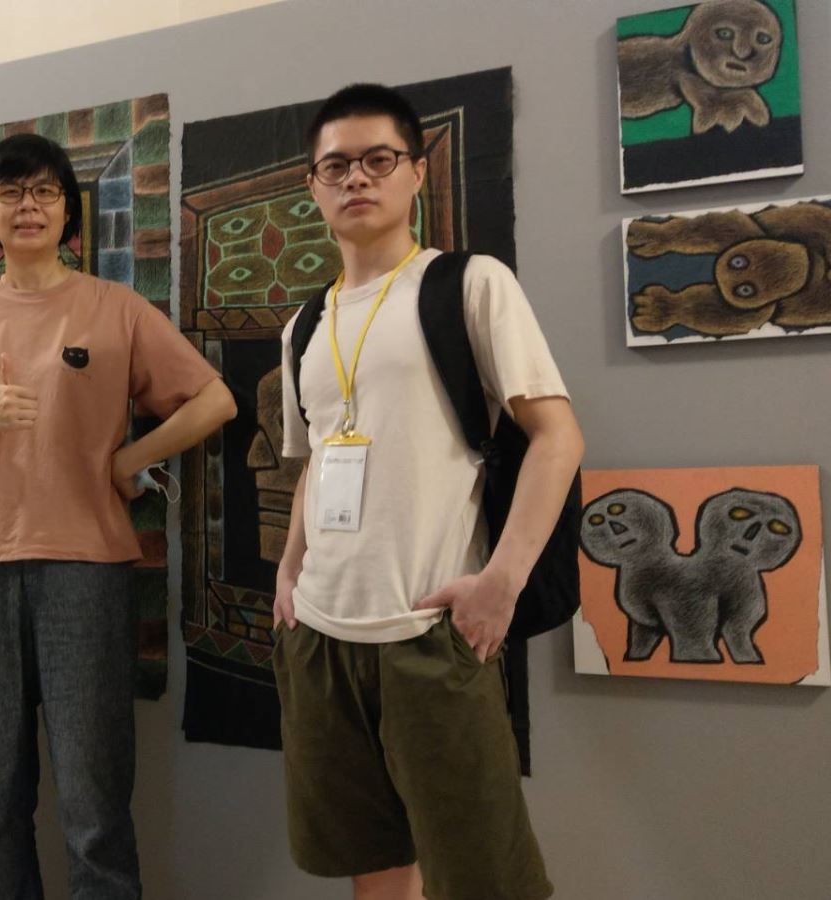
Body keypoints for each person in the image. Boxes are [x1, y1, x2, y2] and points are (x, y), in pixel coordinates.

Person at [0, 132, 237, 900]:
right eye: (11, 191)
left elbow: (214, 400)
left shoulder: (114, 308)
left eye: (45, 191)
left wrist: (128, 458)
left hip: (87, 567)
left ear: (68, 211)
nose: (29, 205)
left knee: (94, 799)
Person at [272, 83, 585, 900]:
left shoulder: (468, 285)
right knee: (375, 865)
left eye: (378, 159)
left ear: (417, 172)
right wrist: (289, 571)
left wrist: (501, 583)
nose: (356, 178)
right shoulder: (303, 327)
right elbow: (314, 463)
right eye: (335, 166)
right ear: (313, 186)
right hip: (321, 633)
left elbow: (558, 437)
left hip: (430, 631)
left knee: (482, 879)